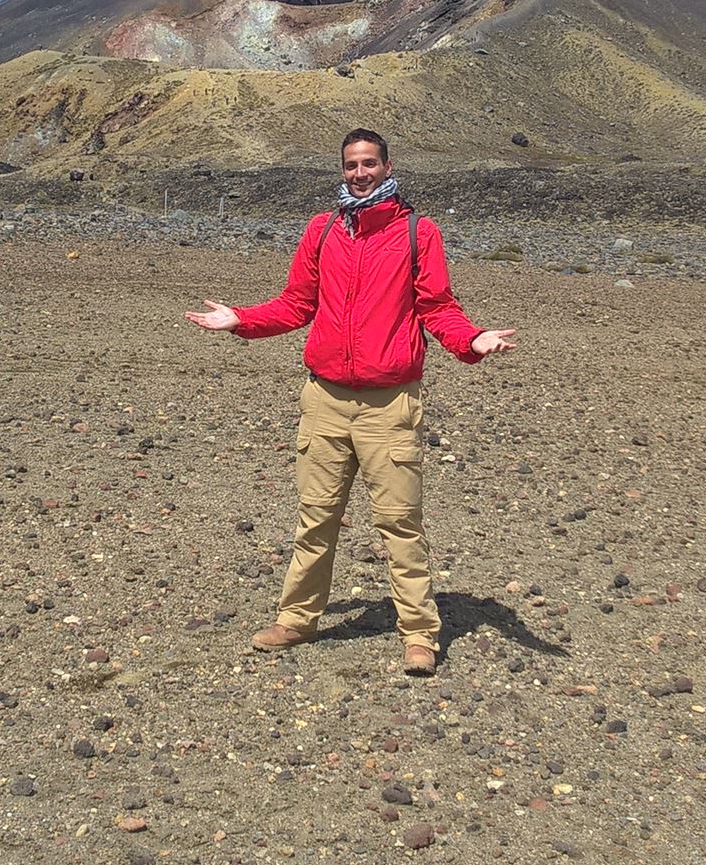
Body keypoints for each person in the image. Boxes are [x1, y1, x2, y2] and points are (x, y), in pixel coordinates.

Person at [187, 128, 517, 675]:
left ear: (388, 166)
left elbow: (437, 307)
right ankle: (296, 620)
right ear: (342, 170)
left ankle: (418, 635)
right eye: (351, 165)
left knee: (400, 523)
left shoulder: (417, 232)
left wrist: (471, 339)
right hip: (325, 399)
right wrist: (241, 319)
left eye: (369, 163)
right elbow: (296, 304)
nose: (360, 172)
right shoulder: (322, 231)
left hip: (389, 405)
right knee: (315, 519)